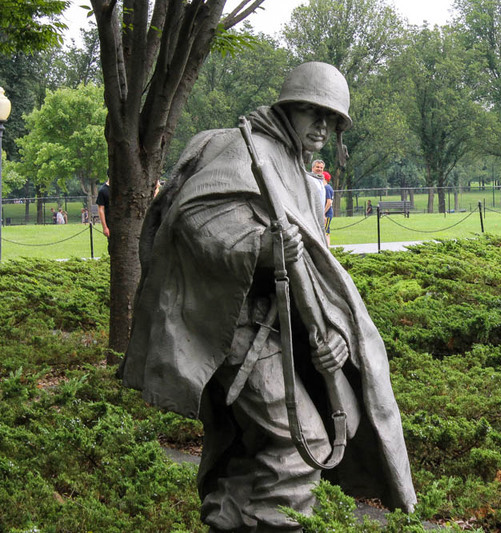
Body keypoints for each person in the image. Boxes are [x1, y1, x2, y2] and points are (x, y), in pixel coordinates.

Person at [119, 62, 416, 533]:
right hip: (235, 330)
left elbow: (315, 273)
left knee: (250, 449)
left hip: (278, 329)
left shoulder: (300, 170)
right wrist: (259, 246)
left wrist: (334, 333)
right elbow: (198, 218)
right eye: (310, 112)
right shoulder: (246, 149)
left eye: (331, 119)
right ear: (286, 108)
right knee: (302, 447)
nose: (321, 127)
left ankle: (228, 518)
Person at [323, 171, 334, 246]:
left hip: (327, 213)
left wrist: (323, 212)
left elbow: (329, 202)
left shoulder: (326, 188)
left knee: (324, 231)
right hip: (327, 213)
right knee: (327, 231)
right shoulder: (326, 187)